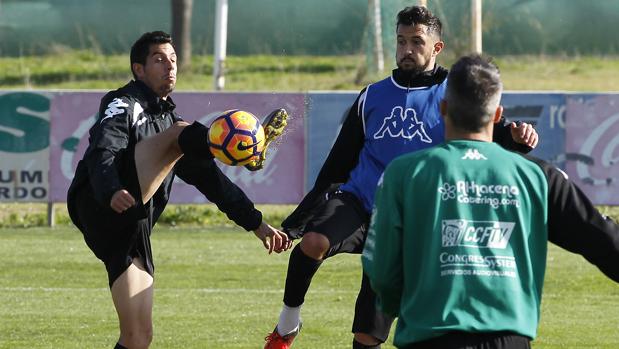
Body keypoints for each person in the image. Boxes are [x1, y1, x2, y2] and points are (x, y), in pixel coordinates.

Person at [263, 6, 539, 349]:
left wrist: (516, 137)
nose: (407, 49)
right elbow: (336, 168)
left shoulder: (456, 91)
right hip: (360, 204)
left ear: (436, 48)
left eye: (417, 42)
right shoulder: (372, 96)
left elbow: (488, 133)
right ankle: (287, 324)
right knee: (313, 242)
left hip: (413, 220)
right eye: (401, 41)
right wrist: (294, 225)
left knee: (368, 333)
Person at [362, 54, 619, 349]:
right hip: (508, 338)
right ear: (498, 115)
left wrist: (402, 305)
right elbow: (606, 243)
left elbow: (381, 270)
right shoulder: (536, 176)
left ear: (443, 108)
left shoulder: (403, 173)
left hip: (428, 335)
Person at [66, 31, 291, 349]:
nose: (169, 66)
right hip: (102, 202)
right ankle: (247, 144)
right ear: (138, 69)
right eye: (159, 59)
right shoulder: (123, 103)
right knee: (181, 134)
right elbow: (105, 148)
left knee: (138, 336)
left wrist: (255, 223)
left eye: (173, 59)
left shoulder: (168, 119)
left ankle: (245, 146)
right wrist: (110, 189)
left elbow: (212, 182)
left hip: (130, 228)